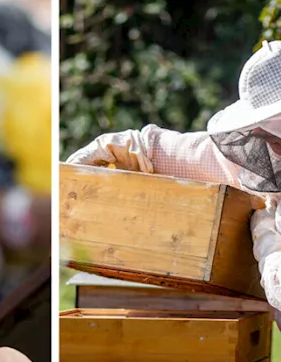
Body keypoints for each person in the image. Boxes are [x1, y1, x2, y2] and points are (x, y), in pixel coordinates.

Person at [69, 42, 281, 314]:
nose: (267, 143)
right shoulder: (264, 162)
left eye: (271, 133)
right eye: (262, 134)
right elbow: (178, 153)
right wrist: (117, 148)